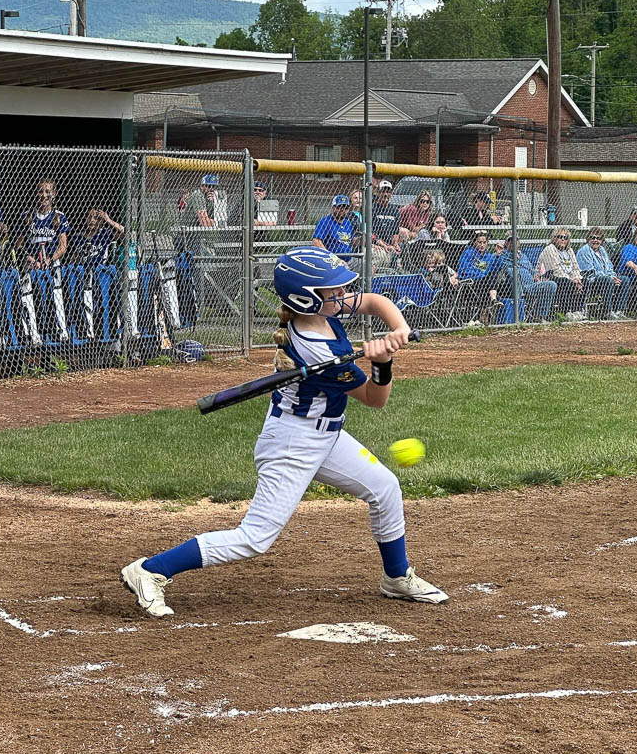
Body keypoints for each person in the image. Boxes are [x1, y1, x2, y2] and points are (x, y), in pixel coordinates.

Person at [120, 246, 448, 617]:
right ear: (305, 299)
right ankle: (150, 570)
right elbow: (375, 398)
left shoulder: (323, 310)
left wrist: (399, 328)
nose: (342, 296)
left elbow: (374, 300)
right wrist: (383, 363)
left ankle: (396, 576)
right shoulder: (316, 350)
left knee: (384, 487)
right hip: (294, 443)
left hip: (326, 436)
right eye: (332, 291)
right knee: (255, 538)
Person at [497, 235, 557, 322]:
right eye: (510, 241)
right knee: (512, 271)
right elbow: (497, 266)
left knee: (552, 285)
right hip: (518, 287)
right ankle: (520, 306)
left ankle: (539, 316)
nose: (513, 243)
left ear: (519, 242)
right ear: (506, 243)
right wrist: (498, 254)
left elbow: (533, 271)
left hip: (531, 285)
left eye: (516, 240)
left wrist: (536, 276)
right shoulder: (502, 255)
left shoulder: (523, 256)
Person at [575, 227, 628, 320]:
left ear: (602, 240)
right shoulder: (584, 251)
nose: (596, 240)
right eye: (593, 238)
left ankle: (619, 311)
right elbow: (589, 272)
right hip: (591, 281)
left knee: (625, 280)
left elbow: (609, 267)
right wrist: (609, 278)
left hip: (606, 278)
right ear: (588, 239)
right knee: (607, 280)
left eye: (598, 238)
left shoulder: (602, 250)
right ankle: (607, 311)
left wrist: (613, 276)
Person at [536, 228, 586, 320]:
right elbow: (556, 270)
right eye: (560, 237)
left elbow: (575, 267)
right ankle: (566, 312)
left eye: (565, 237)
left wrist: (577, 279)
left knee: (584, 281)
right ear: (554, 238)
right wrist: (571, 279)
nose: (563, 239)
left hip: (569, 278)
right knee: (565, 281)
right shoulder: (550, 248)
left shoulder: (569, 250)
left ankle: (577, 311)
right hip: (550, 278)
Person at [19, 178, 68, 266]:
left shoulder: (59, 216)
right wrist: (31, 260)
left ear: (54, 194)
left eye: (47, 191)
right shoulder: (26, 216)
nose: (44, 195)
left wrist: (48, 261)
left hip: (52, 264)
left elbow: (63, 246)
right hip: (31, 265)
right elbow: (19, 244)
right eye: (40, 191)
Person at [457, 231, 503, 323]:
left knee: (492, 276)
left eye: (484, 242)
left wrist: (498, 255)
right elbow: (463, 270)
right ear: (475, 242)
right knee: (488, 279)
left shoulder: (488, 256)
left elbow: (496, 268)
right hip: (469, 284)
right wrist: (480, 275)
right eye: (479, 242)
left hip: (483, 284)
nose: (482, 245)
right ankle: (489, 305)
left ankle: (492, 302)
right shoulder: (468, 253)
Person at [370, 179, 401, 271]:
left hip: (389, 243)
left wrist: (395, 244)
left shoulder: (394, 210)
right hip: (376, 243)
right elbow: (371, 233)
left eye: (388, 191)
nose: (385, 194)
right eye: (383, 191)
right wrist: (384, 245)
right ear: (378, 193)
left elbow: (395, 232)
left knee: (402, 249)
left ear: (391, 194)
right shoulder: (372, 208)